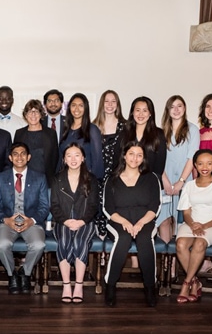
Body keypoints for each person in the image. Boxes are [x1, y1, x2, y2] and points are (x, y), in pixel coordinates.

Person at [102, 141, 161, 308]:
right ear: (124, 156)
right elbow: (108, 208)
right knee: (123, 238)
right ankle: (110, 285)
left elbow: (155, 206)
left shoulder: (151, 178)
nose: (135, 158)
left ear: (143, 159)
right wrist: (125, 222)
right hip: (118, 220)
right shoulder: (112, 179)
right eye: (131, 154)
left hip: (145, 220)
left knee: (144, 240)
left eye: (139, 155)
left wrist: (141, 223)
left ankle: (150, 287)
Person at [174, 150, 212, 303]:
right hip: (191, 223)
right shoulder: (189, 185)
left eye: (209, 163)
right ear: (195, 165)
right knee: (180, 244)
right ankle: (195, 282)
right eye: (200, 163)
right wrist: (193, 224)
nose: (204, 167)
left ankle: (186, 283)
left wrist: (203, 226)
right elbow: (186, 213)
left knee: (200, 243)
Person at [0, 142, 49, 294]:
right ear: (10, 158)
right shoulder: (0, 178)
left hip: (31, 222)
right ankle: (12, 274)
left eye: (23, 153)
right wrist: (6, 220)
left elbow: (44, 206)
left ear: (29, 157)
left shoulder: (39, 178)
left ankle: (24, 273)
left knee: (39, 245)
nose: (20, 157)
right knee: (2, 245)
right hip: (7, 222)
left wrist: (32, 220)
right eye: (16, 154)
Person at [49, 143, 99, 304]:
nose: (73, 159)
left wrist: (81, 221)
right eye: (69, 155)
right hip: (62, 221)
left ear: (83, 158)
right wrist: (65, 221)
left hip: (85, 222)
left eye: (77, 155)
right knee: (63, 241)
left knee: (79, 241)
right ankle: (66, 285)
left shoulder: (91, 179)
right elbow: (54, 205)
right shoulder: (57, 179)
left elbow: (93, 206)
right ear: (64, 159)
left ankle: (78, 285)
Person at [160, 95, 199, 242]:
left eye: (179, 106)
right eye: (172, 106)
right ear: (167, 110)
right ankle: (166, 261)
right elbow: (158, 158)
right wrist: (165, 180)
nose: (176, 110)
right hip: (164, 179)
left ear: (185, 108)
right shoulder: (161, 131)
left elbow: (192, 158)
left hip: (184, 181)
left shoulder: (193, 130)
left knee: (180, 222)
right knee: (164, 220)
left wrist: (181, 182)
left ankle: (175, 262)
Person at [93, 90, 128, 237]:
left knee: (115, 208)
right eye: (107, 101)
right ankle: (99, 240)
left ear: (118, 104)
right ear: (102, 104)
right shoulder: (93, 126)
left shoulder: (125, 126)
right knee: (98, 208)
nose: (110, 104)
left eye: (113, 101)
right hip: (97, 176)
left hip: (117, 175)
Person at [58, 93, 104, 179]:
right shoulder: (65, 129)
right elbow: (60, 157)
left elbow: (97, 160)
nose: (76, 109)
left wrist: (93, 182)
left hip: (85, 180)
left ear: (85, 108)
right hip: (65, 180)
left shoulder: (92, 129)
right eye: (73, 105)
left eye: (81, 105)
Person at [13, 99, 59, 184]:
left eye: (36, 111)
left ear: (41, 115)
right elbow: (15, 158)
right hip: (24, 181)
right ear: (25, 115)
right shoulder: (19, 133)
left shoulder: (51, 133)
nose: (33, 114)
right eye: (30, 111)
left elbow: (55, 158)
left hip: (46, 182)